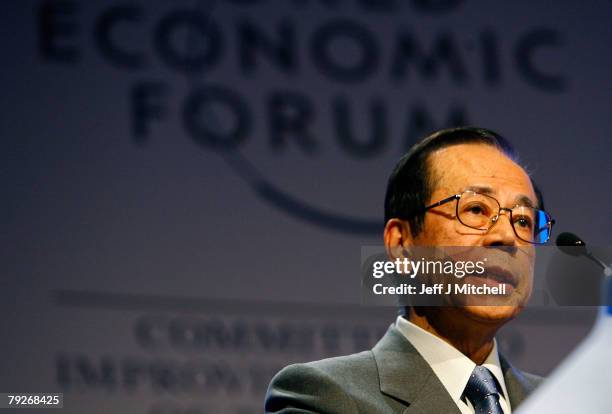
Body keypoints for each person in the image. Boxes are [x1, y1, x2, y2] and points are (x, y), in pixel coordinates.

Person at [264, 127, 555, 414]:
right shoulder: (323, 397)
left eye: (523, 220)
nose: (506, 236)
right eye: (476, 209)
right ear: (402, 244)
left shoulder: (568, 402)